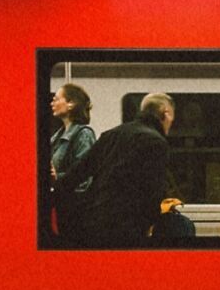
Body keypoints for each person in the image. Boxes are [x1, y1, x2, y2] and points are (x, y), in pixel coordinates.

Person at [55, 92, 174, 247]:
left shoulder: (111, 135)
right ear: (165, 113)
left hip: (94, 221)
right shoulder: (156, 142)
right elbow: (152, 191)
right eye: (172, 117)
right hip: (128, 227)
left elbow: (76, 174)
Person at [49, 83, 95, 243]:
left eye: (56, 99)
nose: (52, 103)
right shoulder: (56, 137)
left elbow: (85, 179)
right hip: (61, 208)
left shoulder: (83, 135)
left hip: (75, 212)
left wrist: (57, 177)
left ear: (71, 104)